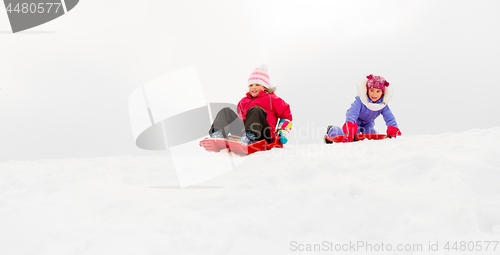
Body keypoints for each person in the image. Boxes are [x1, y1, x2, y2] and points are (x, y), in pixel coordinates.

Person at [208, 65, 293, 145]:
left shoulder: (272, 99)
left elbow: (286, 114)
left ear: (265, 87)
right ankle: (217, 134)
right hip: (243, 133)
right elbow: (240, 118)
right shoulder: (243, 101)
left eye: (257, 85)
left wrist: (283, 131)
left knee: (256, 110)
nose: (253, 87)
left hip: (263, 134)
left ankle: (250, 136)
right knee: (226, 111)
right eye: (251, 85)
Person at [325, 74, 401, 143]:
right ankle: (332, 130)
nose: (374, 94)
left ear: (382, 93)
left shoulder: (382, 104)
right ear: (367, 90)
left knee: (371, 136)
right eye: (372, 90)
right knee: (355, 136)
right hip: (355, 122)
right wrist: (350, 129)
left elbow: (389, 117)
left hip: (368, 123)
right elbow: (352, 113)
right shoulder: (360, 100)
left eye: (378, 91)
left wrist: (393, 130)